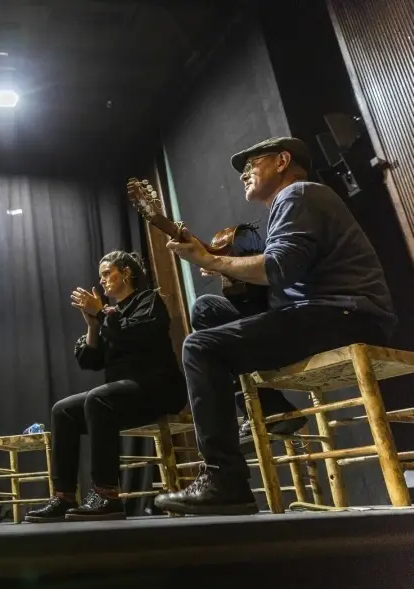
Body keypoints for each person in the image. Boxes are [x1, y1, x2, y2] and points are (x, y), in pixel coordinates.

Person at [155, 137, 396, 516]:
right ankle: (271, 410)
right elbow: (279, 281)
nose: (244, 174)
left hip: (346, 315)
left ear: (283, 160)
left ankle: (224, 481)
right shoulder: (295, 202)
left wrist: (215, 262)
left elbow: (279, 268)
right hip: (322, 312)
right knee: (207, 309)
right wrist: (228, 266)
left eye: (252, 164)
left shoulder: (297, 194)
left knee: (200, 347)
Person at [24, 251, 186, 523]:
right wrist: (92, 325)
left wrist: (100, 314)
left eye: (107, 273)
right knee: (63, 410)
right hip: (123, 397)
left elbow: (132, 338)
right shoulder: (108, 315)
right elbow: (90, 361)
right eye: (100, 276)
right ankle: (64, 496)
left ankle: (106, 494)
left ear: (125, 272)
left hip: (160, 389)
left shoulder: (148, 301)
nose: (102, 280)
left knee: (99, 399)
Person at [195, 224, 306, 454]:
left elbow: (270, 274)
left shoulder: (292, 214)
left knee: (208, 329)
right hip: (267, 319)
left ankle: (267, 410)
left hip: (290, 319)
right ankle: (271, 408)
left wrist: (224, 266)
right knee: (205, 310)